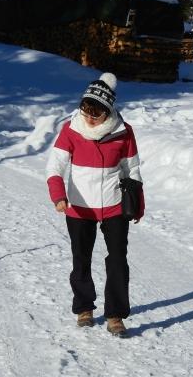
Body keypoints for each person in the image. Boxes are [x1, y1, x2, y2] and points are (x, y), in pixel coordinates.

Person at [46, 72, 144, 338]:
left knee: (117, 259)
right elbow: (55, 166)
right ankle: (84, 308)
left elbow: (132, 170)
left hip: (113, 204)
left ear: (108, 111)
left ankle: (115, 315)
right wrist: (58, 195)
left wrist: (137, 204)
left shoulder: (124, 132)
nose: (90, 117)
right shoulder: (71, 129)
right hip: (79, 205)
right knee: (81, 257)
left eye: (97, 113)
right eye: (87, 109)